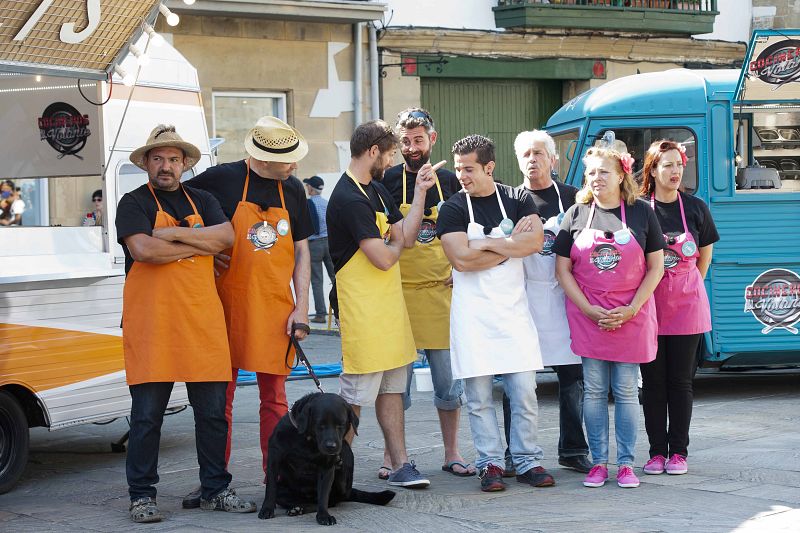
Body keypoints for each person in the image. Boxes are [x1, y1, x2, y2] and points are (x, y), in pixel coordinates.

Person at [116, 125, 255, 523]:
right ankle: (141, 496)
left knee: (212, 414)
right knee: (146, 418)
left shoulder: (204, 199)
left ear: (184, 164)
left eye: (173, 159)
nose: (166, 166)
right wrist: (197, 244)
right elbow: (143, 249)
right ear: (146, 163)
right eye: (158, 158)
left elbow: (226, 238)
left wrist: (173, 235)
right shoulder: (133, 202)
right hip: (152, 324)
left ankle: (215, 489)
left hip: (201, 322)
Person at [185, 116, 313, 506]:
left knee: (274, 399)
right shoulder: (219, 179)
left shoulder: (293, 188)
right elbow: (178, 210)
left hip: (275, 309)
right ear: (263, 158)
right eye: (287, 160)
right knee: (217, 401)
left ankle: (278, 479)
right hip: (224, 308)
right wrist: (205, 252)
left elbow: (302, 250)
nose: (294, 166)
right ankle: (214, 482)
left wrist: (302, 308)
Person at [438, 134, 555, 493]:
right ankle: (489, 463)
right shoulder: (452, 208)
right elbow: (460, 259)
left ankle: (527, 460)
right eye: (458, 169)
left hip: (513, 314)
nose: (462, 176)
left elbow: (535, 242)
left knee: (524, 393)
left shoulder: (517, 198)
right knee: (478, 398)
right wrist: (508, 246)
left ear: (489, 167)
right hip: (473, 317)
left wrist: (485, 243)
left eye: (469, 169)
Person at [327, 119, 435, 489]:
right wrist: (395, 241)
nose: (392, 161)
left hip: (389, 309)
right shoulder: (348, 197)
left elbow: (406, 236)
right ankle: (333, 471)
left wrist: (420, 193)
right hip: (362, 312)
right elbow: (385, 259)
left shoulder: (375, 189)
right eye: (389, 154)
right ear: (373, 151)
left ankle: (401, 465)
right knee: (355, 397)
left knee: (391, 390)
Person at [553, 145, 665, 489]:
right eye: (591, 172)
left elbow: (656, 267)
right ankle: (599, 463)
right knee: (594, 391)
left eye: (603, 171)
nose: (596, 178)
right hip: (590, 318)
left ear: (620, 175)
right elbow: (562, 270)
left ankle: (627, 464)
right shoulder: (576, 214)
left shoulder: (642, 213)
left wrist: (631, 309)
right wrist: (588, 309)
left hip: (631, 316)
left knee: (627, 391)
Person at [380, 108, 474, 479]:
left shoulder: (450, 181)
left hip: (441, 295)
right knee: (395, 387)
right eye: (405, 141)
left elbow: (469, 228)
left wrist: (459, 266)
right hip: (399, 295)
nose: (412, 147)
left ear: (432, 139)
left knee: (448, 384)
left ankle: (452, 452)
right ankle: (392, 456)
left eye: (418, 140)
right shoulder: (386, 180)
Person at [500, 130, 592, 475]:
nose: (532, 160)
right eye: (525, 154)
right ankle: (515, 452)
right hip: (523, 299)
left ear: (553, 159)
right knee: (517, 381)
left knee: (573, 379)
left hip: (564, 297)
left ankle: (573, 449)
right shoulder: (508, 200)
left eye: (538, 153)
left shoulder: (573, 197)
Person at [639, 139, 718, 476]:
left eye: (679, 165)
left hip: (687, 306)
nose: (676, 171)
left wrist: (684, 285)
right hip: (650, 306)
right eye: (668, 165)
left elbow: (704, 259)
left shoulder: (696, 208)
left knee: (681, 382)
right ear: (653, 170)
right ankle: (657, 452)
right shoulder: (639, 208)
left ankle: (679, 453)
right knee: (653, 383)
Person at [304, 175, 335, 323]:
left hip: (314, 245)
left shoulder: (307, 204)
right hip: (329, 242)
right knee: (335, 278)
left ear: (311, 188)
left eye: (307, 186)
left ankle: (321, 314)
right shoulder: (326, 203)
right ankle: (342, 311)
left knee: (317, 280)